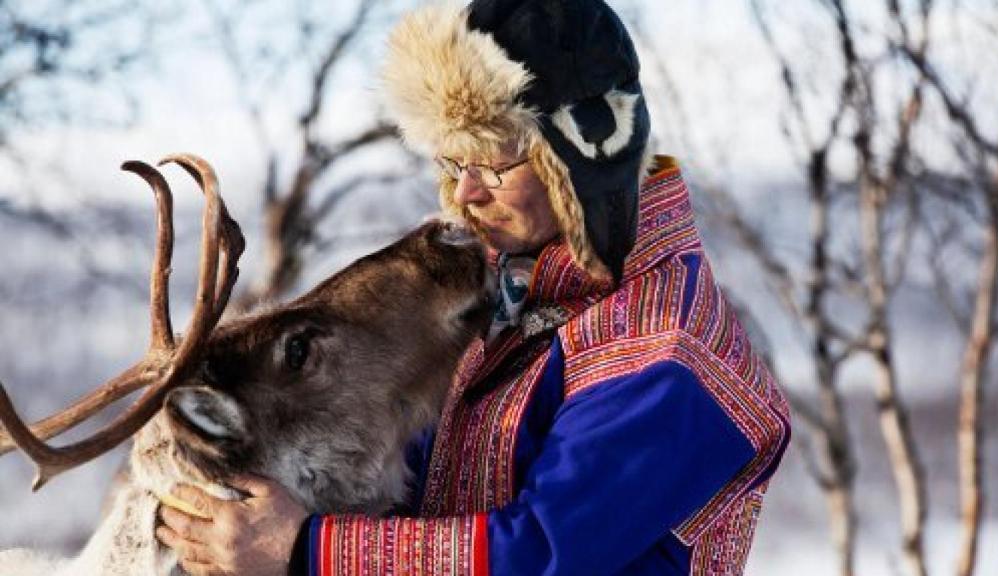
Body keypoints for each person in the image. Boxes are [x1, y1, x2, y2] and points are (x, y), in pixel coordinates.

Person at [155, 0, 791, 574]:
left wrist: (306, 548)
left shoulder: (665, 353)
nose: (464, 192)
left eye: (493, 163)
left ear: (582, 159)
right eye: (453, 161)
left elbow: (542, 552)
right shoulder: (517, 293)